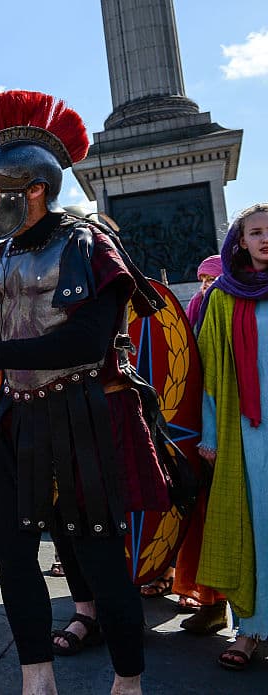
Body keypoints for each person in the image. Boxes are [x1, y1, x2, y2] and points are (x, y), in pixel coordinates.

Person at [0, 90, 168, 695]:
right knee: (12, 554)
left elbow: (88, 340)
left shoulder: (89, 244)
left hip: (82, 417)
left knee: (98, 560)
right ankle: (36, 679)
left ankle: (128, 683)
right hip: (20, 420)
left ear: (34, 188)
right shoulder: (6, 255)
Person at [194, 203, 268, 670]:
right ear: (240, 241)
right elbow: (209, 371)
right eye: (257, 232)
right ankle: (251, 628)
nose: (266, 239)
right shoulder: (222, 298)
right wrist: (209, 434)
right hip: (247, 434)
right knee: (253, 527)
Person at [185, 254, 222, 327]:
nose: (203, 286)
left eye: (211, 279)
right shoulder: (198, 299)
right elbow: (184, 327)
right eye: (202, 280)